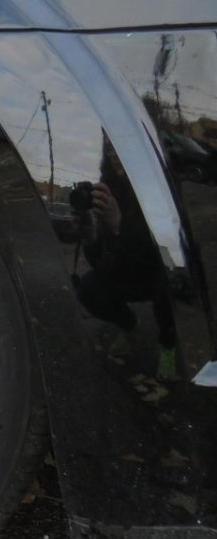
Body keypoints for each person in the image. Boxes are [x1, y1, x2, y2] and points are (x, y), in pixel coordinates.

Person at [75, 133, 177, 380]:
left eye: (121, 145)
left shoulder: (156, 186)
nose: (115, 154)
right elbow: (102, 263)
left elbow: (164, 246)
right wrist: (91, 237)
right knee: (88, 288)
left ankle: (168, 346)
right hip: (125, 270)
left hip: (156, 271)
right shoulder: (106, 191)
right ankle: (129, 326)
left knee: (169, 286)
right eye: (110, 148)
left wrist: (120, 224)